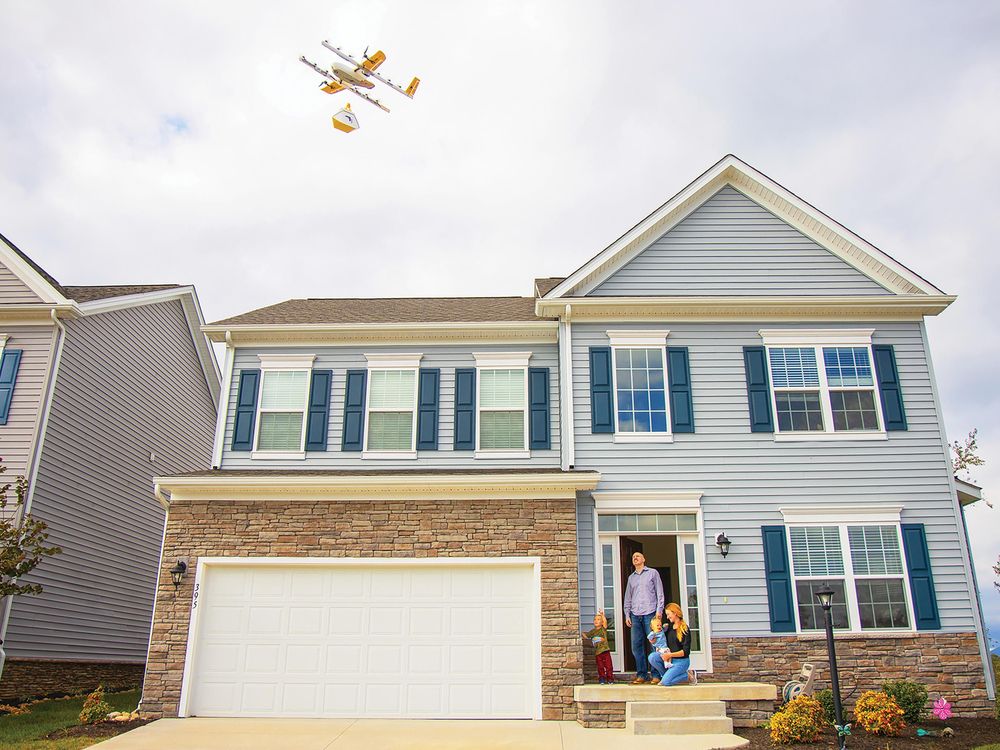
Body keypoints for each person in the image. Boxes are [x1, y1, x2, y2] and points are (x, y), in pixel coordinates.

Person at [623, 551, 664, 684]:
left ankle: (656, 674)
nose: (635, 558)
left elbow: (660, 592)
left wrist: (659, 611)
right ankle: (642, 674)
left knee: (654, 645)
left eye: (638, 556)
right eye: (633, 557)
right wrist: (627, 614)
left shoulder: (653, 573)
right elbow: (628, 597)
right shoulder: (631, 578)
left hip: (650, 613)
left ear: (644, 559)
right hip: (635, 615)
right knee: (636, 646)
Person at [654, 602, 692, 686]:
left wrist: (670, 655)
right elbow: (662, 641)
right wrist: (653, 641)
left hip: (682, 661)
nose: (667, 617)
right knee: (652, 657)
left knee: (666, 682)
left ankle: (687, 676)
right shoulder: (669, 627)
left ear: (675, 613)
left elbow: (685, 652)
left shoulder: (684, 629)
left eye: (668, 614)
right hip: (670, 660)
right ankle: (668, 675)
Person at [582, 610, 615, 684]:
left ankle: (610, 679)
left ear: (602, 622)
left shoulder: (603, 629)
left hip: (605, 651)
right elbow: (586, 636)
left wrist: (602, 615)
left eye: (598, 619)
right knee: (600, 667)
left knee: (608, 666)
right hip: (598, 652)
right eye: (595, 619)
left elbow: (605, 623)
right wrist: (580, 632)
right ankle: (602, 679)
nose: (596, 621)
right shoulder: (592, 631)